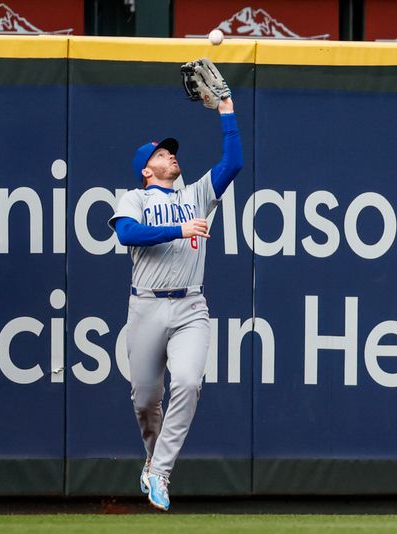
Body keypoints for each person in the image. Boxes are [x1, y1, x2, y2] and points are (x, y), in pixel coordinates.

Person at [108, 94, 242, 511]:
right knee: (145, 399)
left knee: (188, 382)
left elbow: (232, 163)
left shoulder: (197, 194)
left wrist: (226, 109)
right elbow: (127, 235)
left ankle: (161, 470)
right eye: (163, 154)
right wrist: (179, 229)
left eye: (170, 153)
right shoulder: (135, 199)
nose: (171, 156)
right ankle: (152, 459)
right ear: (148, 170)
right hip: (146, 306)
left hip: (190, 307)